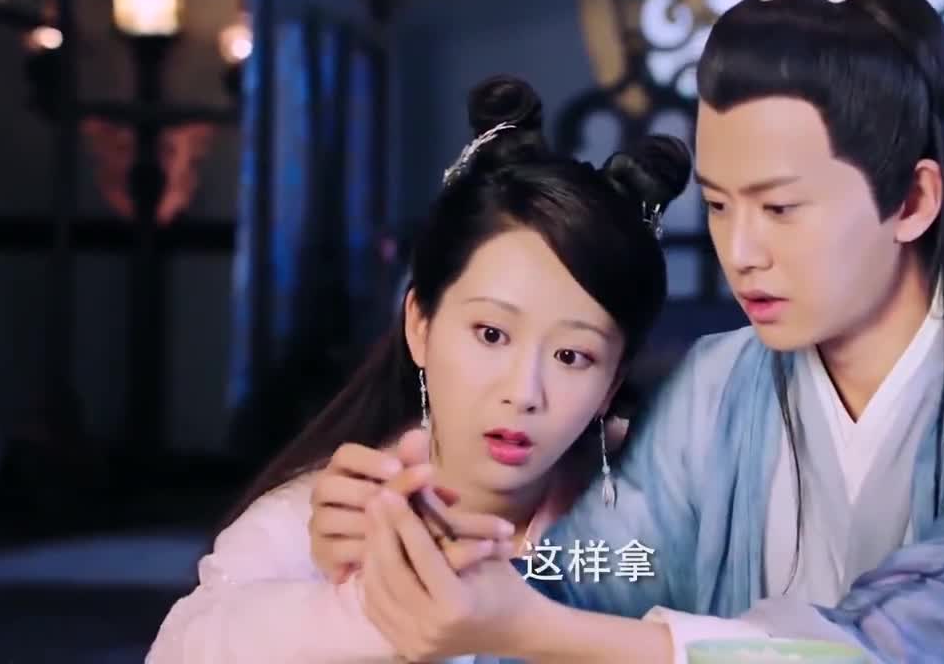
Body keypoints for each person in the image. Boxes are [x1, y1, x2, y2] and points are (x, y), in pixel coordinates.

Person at [311, 0, 944, 662]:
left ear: (913, 200)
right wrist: (429, 543)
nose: (740, 251)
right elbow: (589, 577)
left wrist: (523, 626)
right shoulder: (718, 385)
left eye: (780, 208)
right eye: (717, 205)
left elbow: (908, 649)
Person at [143, 74, 690, 663]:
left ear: (611, 384)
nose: (524, 392)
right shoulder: (322, 517)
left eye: (571, 356)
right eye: (491, 334)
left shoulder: (656, 513)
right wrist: (375, 598)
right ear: (420, 327)